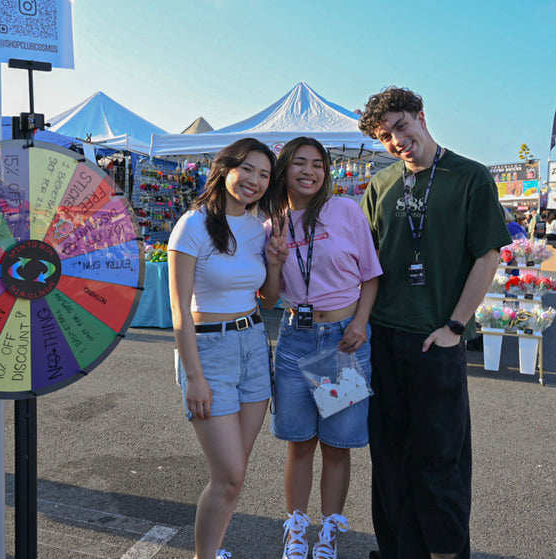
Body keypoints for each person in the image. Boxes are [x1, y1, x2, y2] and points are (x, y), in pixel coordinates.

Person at [357, 87, 511, 559]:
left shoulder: (470, 177)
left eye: (402, 126)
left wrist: (455, 327)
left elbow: (487, 256)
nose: (398, 140)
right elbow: (363, 263)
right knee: (387, 456)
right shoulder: (380, 185)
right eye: (386, 136)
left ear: (422, 118)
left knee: (439, 457)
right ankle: (398, 550)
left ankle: (445, 552)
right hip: (383, 338)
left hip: (436, 339)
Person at [260, 137, 382, 559]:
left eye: (317, 164)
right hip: (295, 341)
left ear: (327, 173)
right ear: (284, 170)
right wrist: (274, 264)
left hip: (342, 342)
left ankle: (328, 533)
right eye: (299, 163)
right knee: (299, 442)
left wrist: (361, 323)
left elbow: (370, 275)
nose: (309, 171)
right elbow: (270, 299)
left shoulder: (345, 210)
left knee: (335, 445)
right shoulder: (272, 220)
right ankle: (296, 531)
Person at [168, 137, 282, 559]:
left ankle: (213, 551)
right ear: (226, 169)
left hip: (254, 343)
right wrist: (194, 377)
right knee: (229, 474)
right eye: (248, 169)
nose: (255, 181)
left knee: (237, 472)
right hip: (208, 350)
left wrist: (275, 262)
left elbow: (268, 298)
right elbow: (179, 310)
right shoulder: (192, 225)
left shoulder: (257, 227)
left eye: (264, 175)